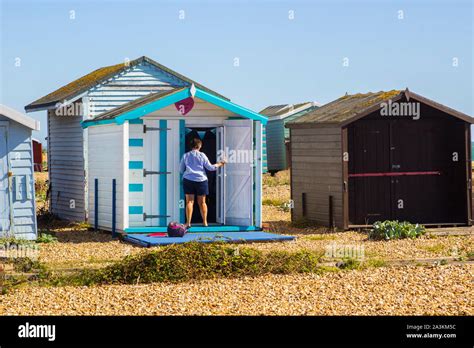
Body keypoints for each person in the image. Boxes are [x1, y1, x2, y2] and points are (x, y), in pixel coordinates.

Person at [180, 138, 225, 227]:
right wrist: (221, 163)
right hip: (201, 180)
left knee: (189, 202)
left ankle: (188, 222)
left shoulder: (186, 155)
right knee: (202, 202)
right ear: (199, 146)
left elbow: (181, 170)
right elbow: (210, 168)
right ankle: (205, 222)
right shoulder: (202, 155)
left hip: (188, 179)